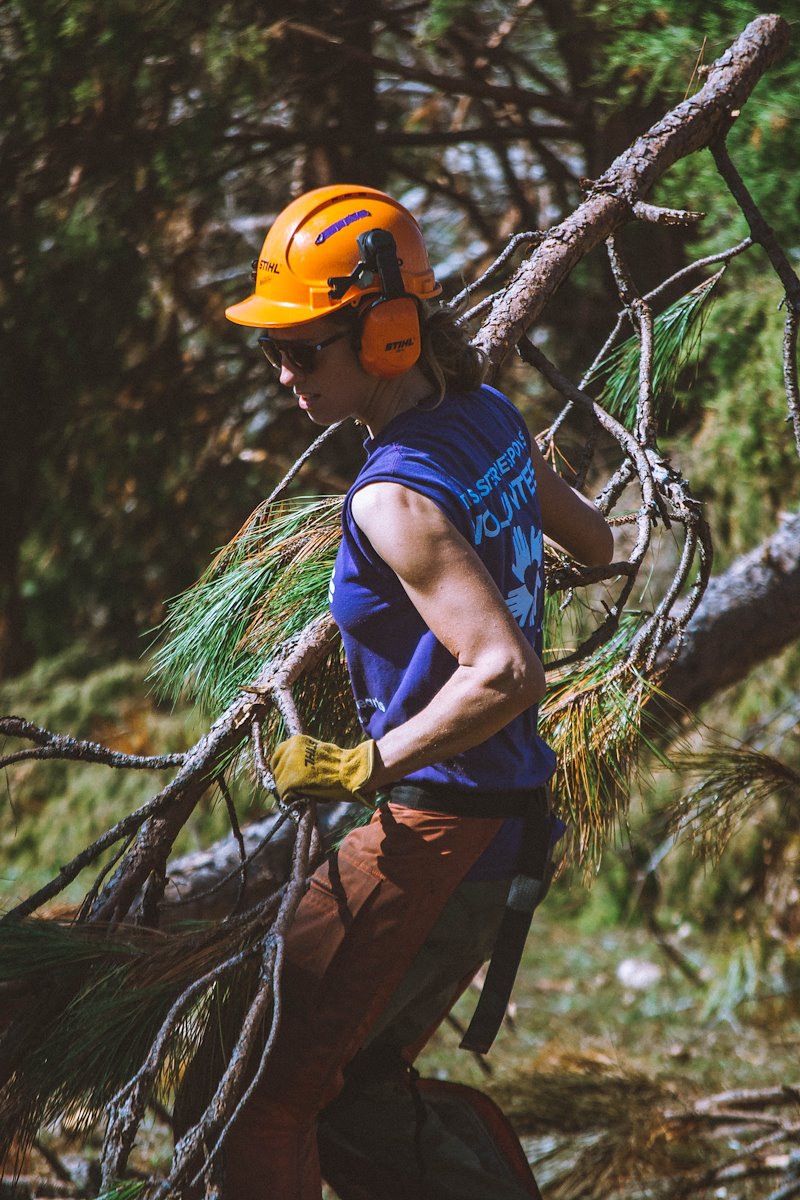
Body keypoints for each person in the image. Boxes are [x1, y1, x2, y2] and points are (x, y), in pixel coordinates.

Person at [220, 183, 614, 1200]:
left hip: (439, 825)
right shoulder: (482, 412)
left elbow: (504, 671)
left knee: (259, 1096)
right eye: (276, 349)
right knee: (352, 1084)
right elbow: (594, 538)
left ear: (388, 335)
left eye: (304, 348)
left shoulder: (392, 495)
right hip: (506, 823)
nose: (283, 371)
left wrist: (365, 760)